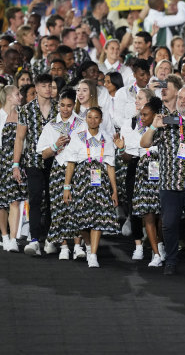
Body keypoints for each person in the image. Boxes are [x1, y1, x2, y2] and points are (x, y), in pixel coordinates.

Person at [140, 86, 185, 277]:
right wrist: (154, 126)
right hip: (170, 184)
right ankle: (170, 260)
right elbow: (144, 143)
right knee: (169, 224)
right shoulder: (167, 121)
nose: (182, 101)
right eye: (180, 98)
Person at [63, 107, 119, 268]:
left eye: (96, 117)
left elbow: (110, 166)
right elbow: (71, 163)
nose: (93, 120)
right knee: (81, 217)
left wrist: (114, 190)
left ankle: (93, 254)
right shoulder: (78, 137)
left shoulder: (106, 138)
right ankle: (88, 245)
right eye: (89, 117)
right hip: (81, 180)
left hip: (100, 181)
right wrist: (67, 187)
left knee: (98, 217)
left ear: (101, 120)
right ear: (85, 119)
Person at [37, 89, 87, 260]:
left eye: (69, 106)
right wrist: (56, 145)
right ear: (58, 104)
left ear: (74, 105)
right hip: (58, 169)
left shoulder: (81, 124)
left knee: (77, 208)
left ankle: (78, 246)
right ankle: (64, 246)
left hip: (78, 169)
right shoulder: (51, 125)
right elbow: (43, 154)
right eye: (62, 105)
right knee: (59, 208)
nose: (65, 109)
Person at [12, 74, 58, 256]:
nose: (48, 89)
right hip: (33, 160)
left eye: (50, 85)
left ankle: (50, 238)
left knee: (53, 200)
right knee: (36, 198)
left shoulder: (59, 109)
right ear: (37, 88)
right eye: (44, 86)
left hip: (57, 161)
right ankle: (34, 239)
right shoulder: (26, 110)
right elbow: (20, 138)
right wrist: (16, 164)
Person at [118, 96, 166, 267]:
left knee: (162, 217)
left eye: (146, 115)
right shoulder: (138, 132)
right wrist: (122, 148)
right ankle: (156, 254)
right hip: (144, 179)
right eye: (141, 115)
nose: (142, 118)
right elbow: (126, 156)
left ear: (156, 115)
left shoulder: (166, 130)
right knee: (148, 217)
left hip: (164, 178)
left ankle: (160, 245)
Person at [0, 85, 28, 252]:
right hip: (1, 162)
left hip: (17, 163)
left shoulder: (22, 116)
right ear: (9, 97)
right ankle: (4, 235)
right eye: (18, 94)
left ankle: (13, 239)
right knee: (2, 203)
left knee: (15, 200)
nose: (21, 97)